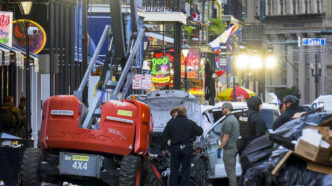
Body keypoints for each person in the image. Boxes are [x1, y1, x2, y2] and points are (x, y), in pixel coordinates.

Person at [161, 106, 203, 186]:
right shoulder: (190, 123)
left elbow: (164, 136)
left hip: (175, 149)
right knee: (186, 170)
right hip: (187, 148)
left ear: (177, 112)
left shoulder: (171, 123)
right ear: (185, 113)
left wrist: (163, 148)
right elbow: (200, 132)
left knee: (174, 170)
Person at [217, 102, 239, 186]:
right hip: (232, 148)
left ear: (227, 108)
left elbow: (226, 137)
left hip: (229, 150)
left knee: (230, 172)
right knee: (231, 171)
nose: (221, 110)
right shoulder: (232, 118)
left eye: (222, 108)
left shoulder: (229, 120)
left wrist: (220, 147)